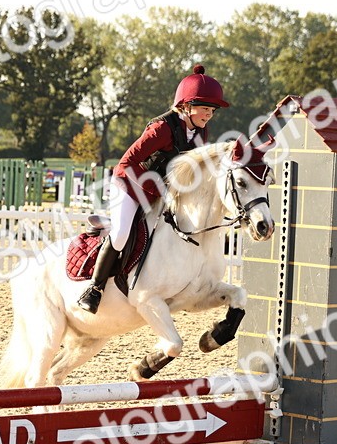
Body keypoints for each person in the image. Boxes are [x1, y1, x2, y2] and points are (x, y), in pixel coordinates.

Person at [76, 64, 228, 313]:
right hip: (128, 184)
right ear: (186, 106)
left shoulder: (201, 131)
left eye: (212, 110)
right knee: (122, 233)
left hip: (162, 191)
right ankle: (95, 288)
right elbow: (128, 161)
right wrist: (156, 190)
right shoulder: (161, 129)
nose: (209, 114)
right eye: (204, 108)